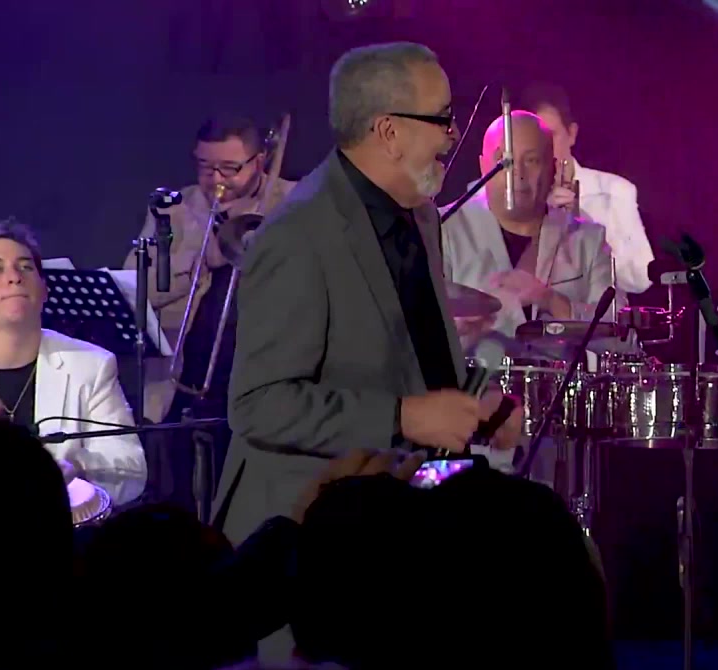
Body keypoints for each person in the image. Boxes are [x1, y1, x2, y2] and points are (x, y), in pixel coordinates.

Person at [216, 42, 520, 545]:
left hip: (382, 522)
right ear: (389, 132)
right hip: (300, 533)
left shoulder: (420, 213)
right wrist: (404, 418)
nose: (453, 135)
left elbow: (404, 355)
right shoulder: (297, 235)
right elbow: (258, 405)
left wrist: (474, 403)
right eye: (442, 118)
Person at [0, 220, 147, 503]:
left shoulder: (92, 366)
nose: (14, 277)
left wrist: (79, 466)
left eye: (25, 267)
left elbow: (132, 469)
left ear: (44, 290)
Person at [123, 115, 298, 424]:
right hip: (178, 383)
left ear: (259, 161)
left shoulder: (296, 203)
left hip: (264, 385)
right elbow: (134, 292)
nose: (216, 178)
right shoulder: (172, 210)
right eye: (205, 166)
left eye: (229, 168)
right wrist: (201, 261)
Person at [441, 111, 615, 348]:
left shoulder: (588, 240)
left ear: (552, 168)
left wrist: (552, 301)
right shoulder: (444, 230)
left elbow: (620, 337)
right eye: (504, 161)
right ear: (483, 165)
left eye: (531, 160)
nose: (517, 174)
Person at [520, 83, 654, 295]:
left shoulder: (613, 191)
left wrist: (585, 225)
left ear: (571, 134)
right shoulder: (512, 195)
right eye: (535, 139)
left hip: (597, 314)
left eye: (551, 136)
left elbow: (641, 279)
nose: (543, 148)